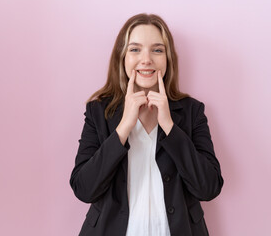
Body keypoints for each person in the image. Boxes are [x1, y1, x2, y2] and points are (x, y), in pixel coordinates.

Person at [69, 13, 224, 236]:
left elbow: (208, 188)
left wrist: (170, 126)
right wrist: (124, 127)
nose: (146, 59)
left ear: (168, 58)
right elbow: (84, 189)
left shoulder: (192, 111)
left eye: (157, 50)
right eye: (135, 49)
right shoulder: (98, 112)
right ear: (121, 57)